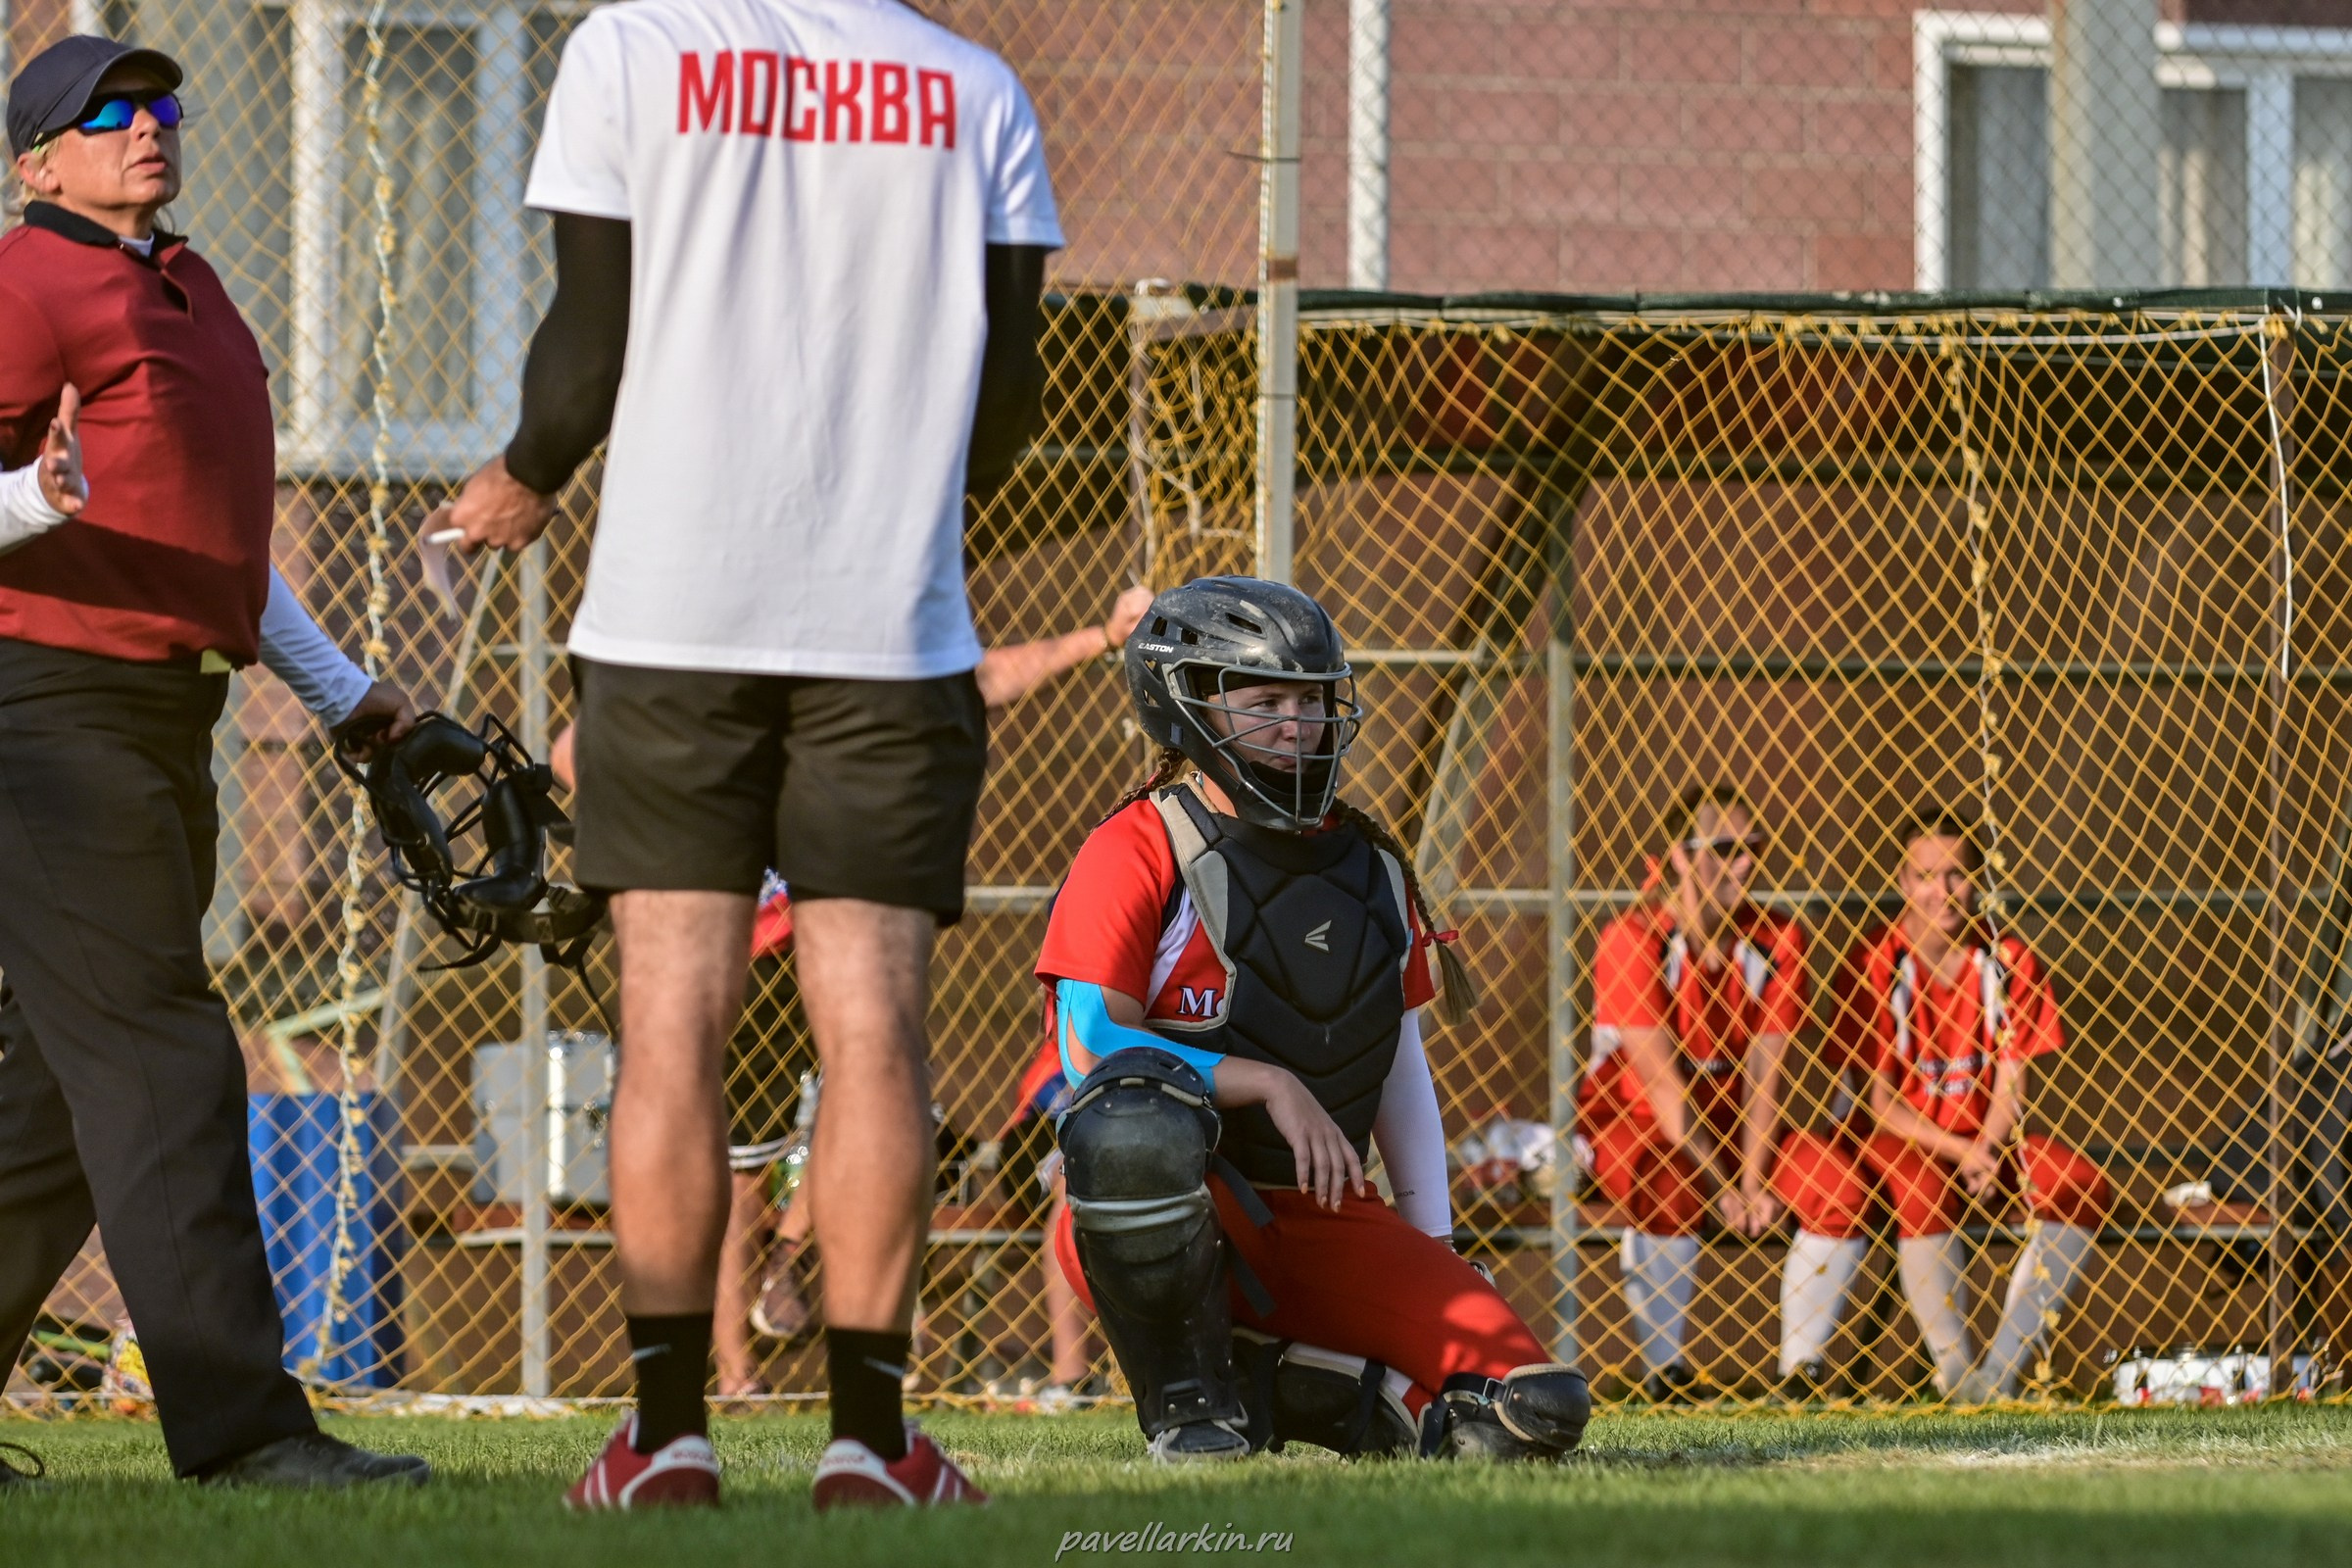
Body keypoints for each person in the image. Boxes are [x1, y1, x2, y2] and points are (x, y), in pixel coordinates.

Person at [439, 0, 1062, 1507]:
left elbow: (585, 348)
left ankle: (665, 1439)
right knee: (875, 1036)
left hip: (672, 624)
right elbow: (1010, 405)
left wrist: (525, 474)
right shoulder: (977, 89)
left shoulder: (629, 49)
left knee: (671, 1029)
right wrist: (887, 504)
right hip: (887, 635)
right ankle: (873, 1444)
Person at [0, 35, 426, 1488]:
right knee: (167, 1059)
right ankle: (244, 1433)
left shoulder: (190, 283)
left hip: (165, 718)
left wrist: (346, 696)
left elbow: (220, 542)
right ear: (38, 161)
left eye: (162, 103)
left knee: (57, 1106)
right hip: (49, 716)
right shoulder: (27, 281)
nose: (150, 124)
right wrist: (27, 497)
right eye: (108, 112)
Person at [545, 587, 1153, 1397]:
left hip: (843, 929)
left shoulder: (859, 654)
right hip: (754, 953)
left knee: (883, 1098)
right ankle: (734, 1373)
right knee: (742, 1169)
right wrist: (680, 833)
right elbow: (575, 752)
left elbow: (980, 680)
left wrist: (1101, 637)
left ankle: (812, 1292)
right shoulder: (709, 658)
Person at [1038, 575, 1590, 1464]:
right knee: (1131, 1122)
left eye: (1310, 701)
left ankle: (1284, 1379)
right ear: (1188, 705)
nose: (1297, 725)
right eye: (1265, 703)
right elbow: (1089, 1044)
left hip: (1325, 1215)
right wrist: (1266, 1082)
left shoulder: (1372, 865)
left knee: (1528, 1412)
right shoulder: (1138, 845)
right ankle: (1192, 1410)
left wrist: (1436, 1245)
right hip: (1182, 1211)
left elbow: (1400, 1068)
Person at [1841, 813, 2111, 1401]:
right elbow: (1880, 1106)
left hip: (1984, 1144)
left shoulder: (2008, 959)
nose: (1942, 891)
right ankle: (1956, 1375)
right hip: (1904, 1145)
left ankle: (1998, 1377)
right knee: (1921, 1189)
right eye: (1925, 876)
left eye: (1956, 874)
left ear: (1978, 879)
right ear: (1903, 882)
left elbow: (2013, 1080)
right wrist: (1963, 1149)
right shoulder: (1873, 962)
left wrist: (1984, 1147)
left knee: (2079, 1185)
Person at [1582, 785, 1804, 1401]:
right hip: (1633, 1125)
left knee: (1829, 1181)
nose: (1745, 864)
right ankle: (1666, 1375)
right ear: (1681, 857)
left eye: (1752, 848)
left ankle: (1802, 1375)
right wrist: (1726, 1185)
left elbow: (1766, 1078)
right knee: (1670, 1181)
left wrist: (1753, 1181)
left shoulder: (1777, 938)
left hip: (1732, 1134)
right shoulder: (1632, 936)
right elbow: (1662, 1087)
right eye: (1726, 849)